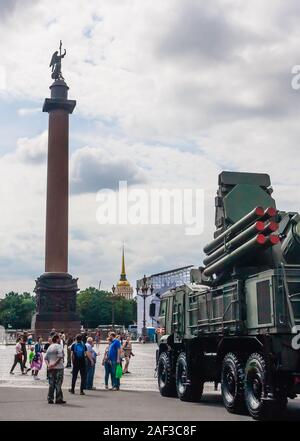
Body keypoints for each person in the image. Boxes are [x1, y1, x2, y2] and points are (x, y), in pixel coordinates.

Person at [44, 334, 66, 404]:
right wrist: (54, 364)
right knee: (58, 384)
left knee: (51, 384)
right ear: (57, 339)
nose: (60, 340)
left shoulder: (50, 346)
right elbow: (60, 357)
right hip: (58, 368)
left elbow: (45, 358)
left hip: (51, 368)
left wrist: (49, 365)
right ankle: (58, 399)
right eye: (59, 338)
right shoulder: (59, 346)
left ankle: (50, 399)